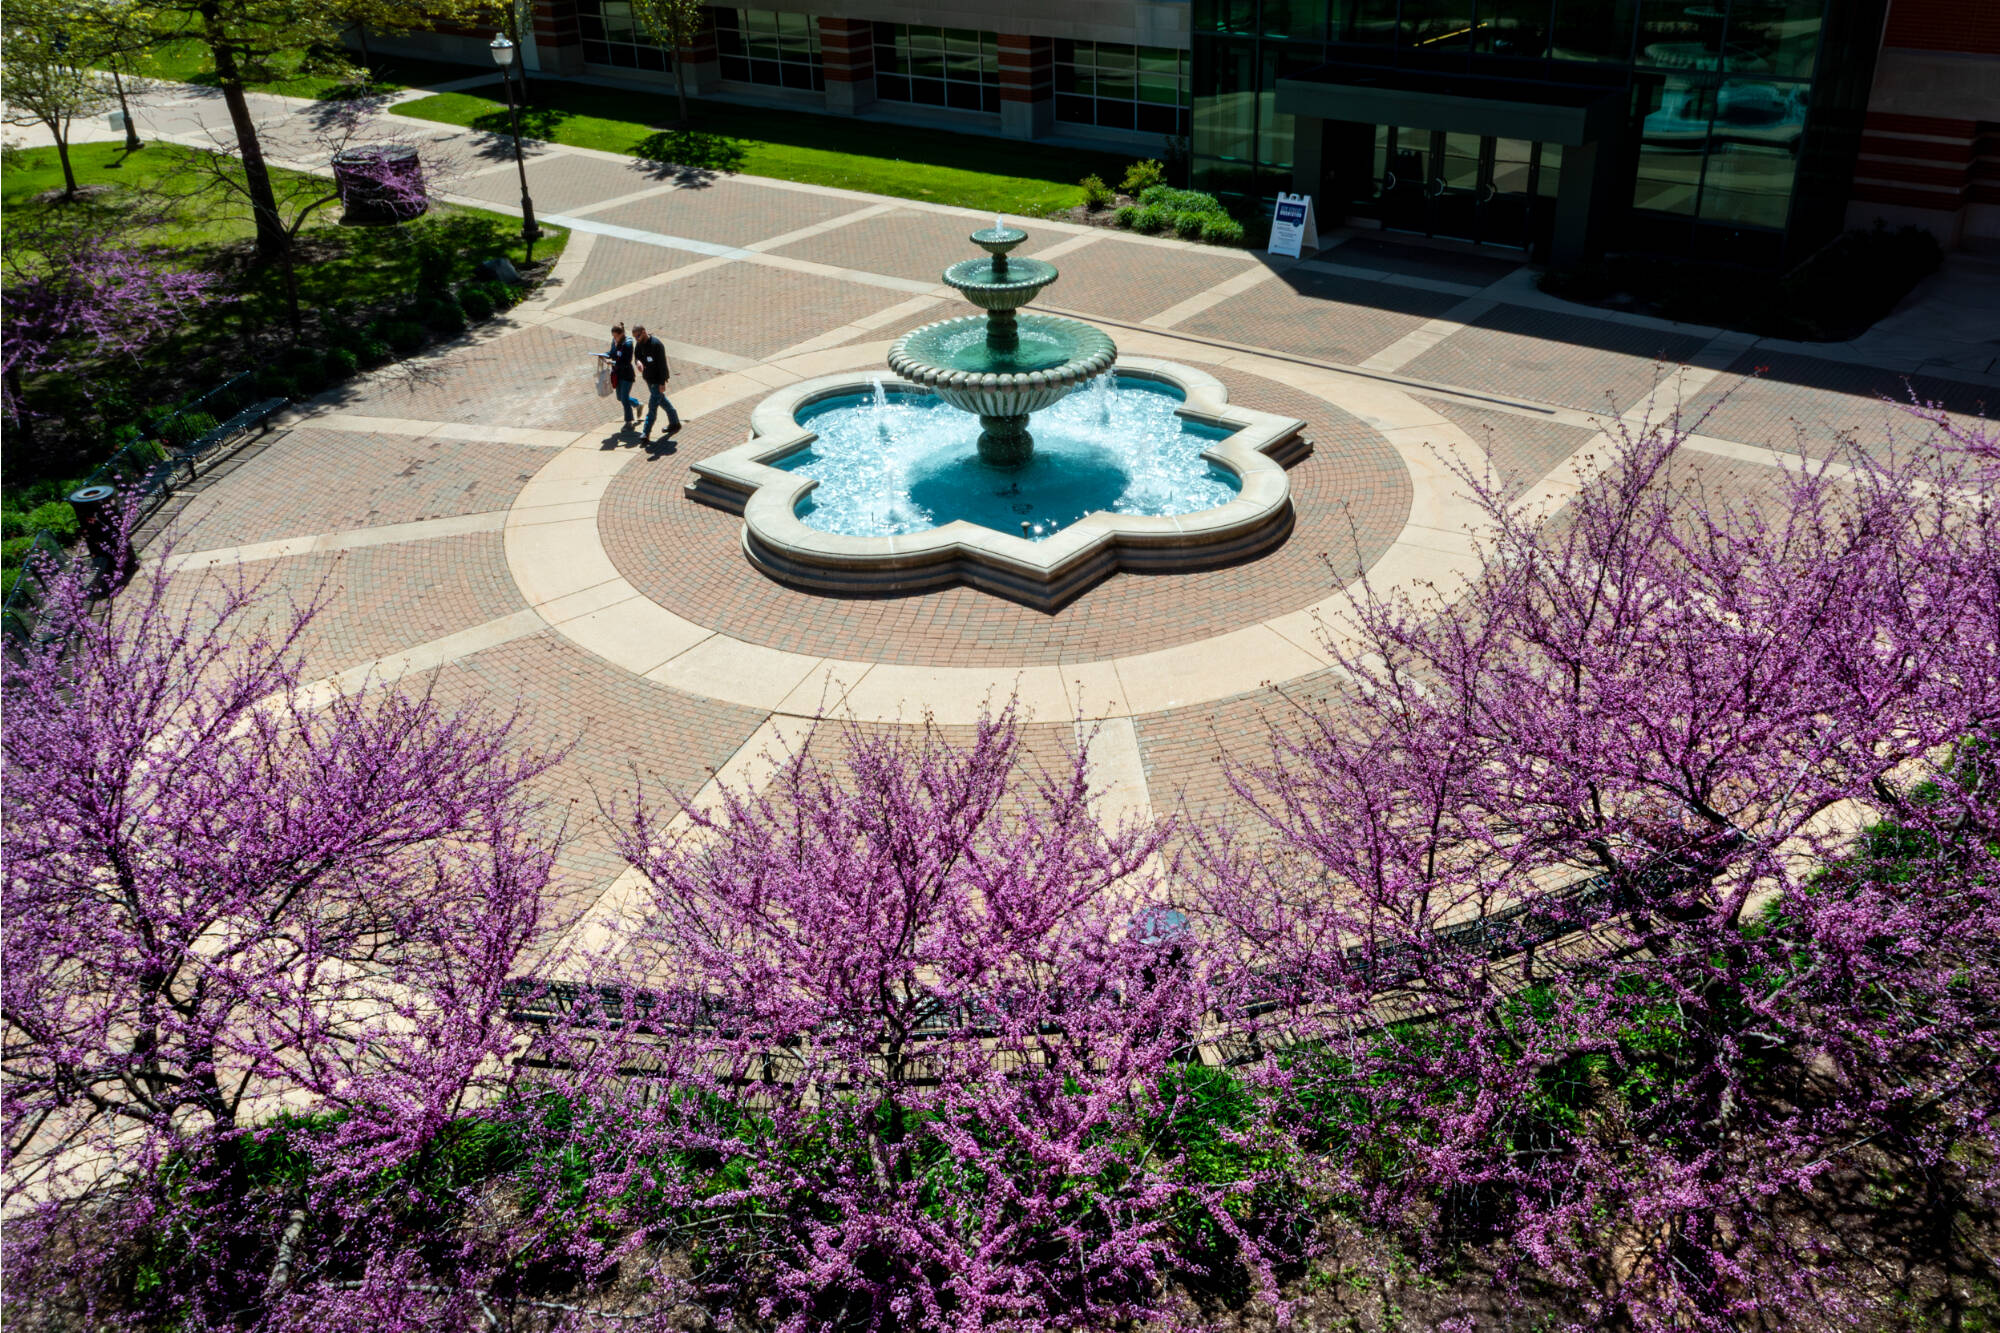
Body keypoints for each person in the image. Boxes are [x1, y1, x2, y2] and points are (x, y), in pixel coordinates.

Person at [632, 323, 680, 438]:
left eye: (638, 336)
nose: (636, 339)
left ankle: (646, 432)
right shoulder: (639, 344)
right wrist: (638, 362)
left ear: (644, 332)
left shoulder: (656, 345)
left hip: (657, 381)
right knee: (663, 401)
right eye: (634, 337)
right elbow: (637, 356)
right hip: (648, 379)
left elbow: (663, 366)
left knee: (652, 407)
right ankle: (675, 423)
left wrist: (662, 383)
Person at [600, 323, 638, 429]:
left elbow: (626, 362)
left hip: (627, 375)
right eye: (613, 336)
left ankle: (629, 421)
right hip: (618, 374)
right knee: (620, 397)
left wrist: (612, 363)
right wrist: (603, 355)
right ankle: (637, 404)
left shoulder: (628, 344)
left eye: (616, 336)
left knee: (624, 398)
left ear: (622, 334)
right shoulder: (615, 341)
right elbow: (612, 353)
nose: (614, 338)